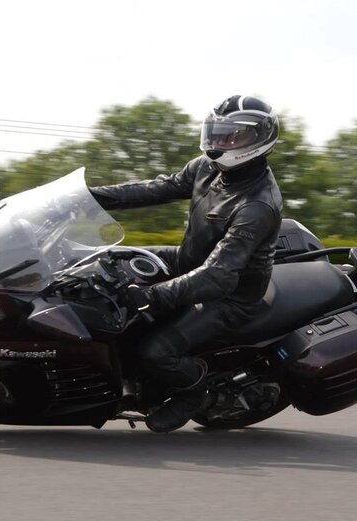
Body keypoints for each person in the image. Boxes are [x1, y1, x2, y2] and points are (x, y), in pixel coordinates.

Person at [88, 95, 283, 432]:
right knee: (107, 260)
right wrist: (89, 198)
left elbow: (218, 276)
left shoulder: (256, 206)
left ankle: (193, 391)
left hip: (231, 296)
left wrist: (151, 296)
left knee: (157, 350)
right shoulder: (207, 168)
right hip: (189, 260)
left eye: (233, 136)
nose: (221, 143)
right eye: (218, 133)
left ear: (258, 139)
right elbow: (155, 189)